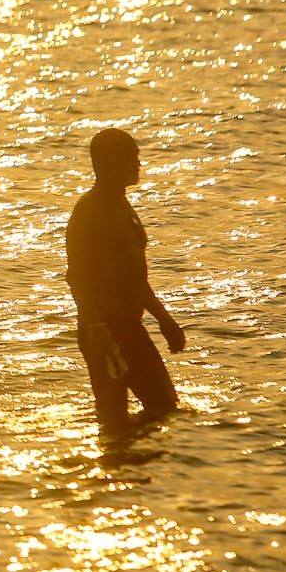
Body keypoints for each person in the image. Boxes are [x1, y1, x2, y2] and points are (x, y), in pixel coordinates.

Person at [66, 128, 185, 433]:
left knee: (160, 409)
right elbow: (77, 277)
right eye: (131, 158)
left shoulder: (122, 206)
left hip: (129, 327)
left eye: (137, 157)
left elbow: (133, 278)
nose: (138, 164)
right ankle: (117, 471)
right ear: (106, 162)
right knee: (124, 416)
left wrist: (164, 319)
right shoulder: (90, 210)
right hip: (106, 331)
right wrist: (96, 328)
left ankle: (129, 471)